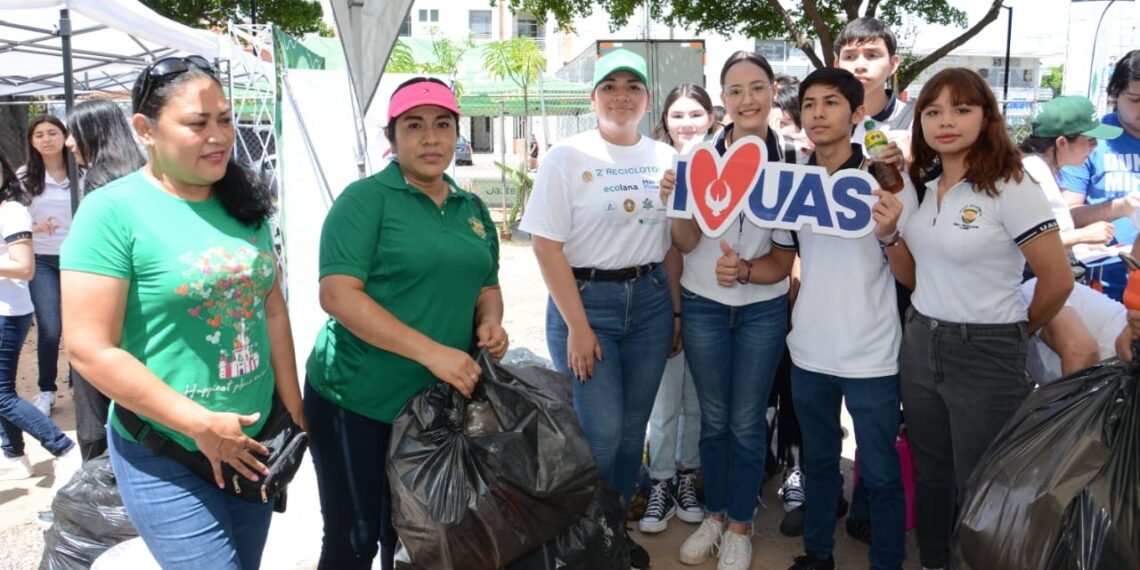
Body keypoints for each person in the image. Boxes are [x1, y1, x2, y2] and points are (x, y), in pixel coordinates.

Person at [61, 55, 302, 569]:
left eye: (224, 119)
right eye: (198, 123)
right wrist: (198, 424)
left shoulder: (246, 202)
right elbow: (88, 347)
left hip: (251, 443)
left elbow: (272, 306)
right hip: (164, 449)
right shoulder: (112, 212)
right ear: (144, 130)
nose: (218, 136)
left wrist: (293, 404)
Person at [305, 77, 506, 570]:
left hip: (435, 410)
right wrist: (431, 352)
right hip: (357, 400)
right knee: (355, 539)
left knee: (416, 534)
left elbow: (487, 285)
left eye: (443, 125)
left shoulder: (471, 208)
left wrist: (491, 323)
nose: (431, 138)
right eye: (413, 126)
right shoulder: (366, 200)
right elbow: (337, 295)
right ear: (391, 138)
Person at [894, 67, 1072, 570]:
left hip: (988, 350)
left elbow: (1056, 280)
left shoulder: (1010, 185)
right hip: (921, 339)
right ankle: (932, 561)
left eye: (961, 108)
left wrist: (1014, 333)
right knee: (931, 472)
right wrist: (889, 236)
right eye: (932, 112)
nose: (945, 121)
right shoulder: (926, 185)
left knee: (983, 479)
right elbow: (912, 276)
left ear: (986, 116)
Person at [519, 48, 674, 569]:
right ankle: (585, 541)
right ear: (593, 99)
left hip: (650, 303)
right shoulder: (568, 156)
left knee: (634, 434)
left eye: (633, 86)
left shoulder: (665, 157)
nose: (622, 95)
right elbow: (545, 246)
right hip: (586, 305)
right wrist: (578, 329)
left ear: (647, 99)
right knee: (601, 436)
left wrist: (672, 312)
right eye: (610, 86)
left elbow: (673, 243)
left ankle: (610, 535)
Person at [664, 51, 797, 570]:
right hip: (702, 306)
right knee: (714, 420)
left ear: (771, 92)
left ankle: (740, 524)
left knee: (745, 421)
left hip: (762, 311)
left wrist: (745, 270)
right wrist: (678, 202)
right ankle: (714, 516)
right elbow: (687, 238)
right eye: (736, 90)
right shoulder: (697, 158)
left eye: (757, 87)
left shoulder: (791, 163)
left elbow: (784, 262)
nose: (747, 99)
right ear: (722, 99)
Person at [784, 68, 915, 570]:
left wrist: (889, 235)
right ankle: (817, 554)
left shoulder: (883, 178)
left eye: (832, 102)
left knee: (880, 473)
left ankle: (887, 562)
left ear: (857, 113)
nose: (818, 112)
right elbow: (786, 256)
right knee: (817, 464)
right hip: (810, 349)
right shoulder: (793, 180)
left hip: (872, 352)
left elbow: (909, 276)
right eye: (810, 103)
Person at [639, 82, 716, 535]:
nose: (686, 123)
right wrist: (674, 312)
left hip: (713, 302)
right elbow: (669, 247)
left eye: (695, 114)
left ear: (711, 117)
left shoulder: (726, 165)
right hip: (665, 301)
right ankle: (660, 483)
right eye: (677, 115)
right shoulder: (655, 167)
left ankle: (689, 477)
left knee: (698, 402)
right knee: (665, 401)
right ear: (665, 121)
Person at [62, 99, 146, 462]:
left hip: (104, 316)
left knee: (95, 416)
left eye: (72, 132)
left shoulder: (101, 182)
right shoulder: (138, 171)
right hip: (135, 316)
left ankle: (99, 491)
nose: (68, 142)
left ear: (94, 133)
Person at [0, 148, 80, 483]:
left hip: (8, 313)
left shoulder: (12, 211)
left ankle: (63, 446)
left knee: (1, 394)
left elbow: (24, 267)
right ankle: (14, 454)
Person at [1061, 50, 1140, 300]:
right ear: (1115, 94)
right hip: (1104, 288)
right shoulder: (1089, 140)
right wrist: (1119, 207)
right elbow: (1065, 217)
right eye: (1136, 99)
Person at [19, 115, 71, 418]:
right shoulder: (26, 176)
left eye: (53, 132)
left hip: (79, 259)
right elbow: (9, 216)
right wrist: (34, 228)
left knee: (80, 326)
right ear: (32, 141)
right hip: (43, 260)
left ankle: (82, 383)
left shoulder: (81, 170)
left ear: (64, 136)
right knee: (50, 327)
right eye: (39, 135)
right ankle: (47, 389)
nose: (47, 139)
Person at [1021, 96, 1121, 251]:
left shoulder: (1040, 168)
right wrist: (1083, 235)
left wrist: (1081, 245)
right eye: (1090, 140)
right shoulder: (1031, 172)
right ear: (1062, 143)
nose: (1095, 145)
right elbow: (1029, 240)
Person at [834, 17, 914, 160]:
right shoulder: (823, 120)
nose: (860, 66)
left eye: (871, 55)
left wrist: (913, 163)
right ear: (837, 65)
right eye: (850, 57)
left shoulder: (916, 120)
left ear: (893, 64)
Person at [1020, 278, 1125, 382]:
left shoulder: (1032, 291)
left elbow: (1081, 353)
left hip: (1127, 366)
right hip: (1117, 380)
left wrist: (1074, 399)